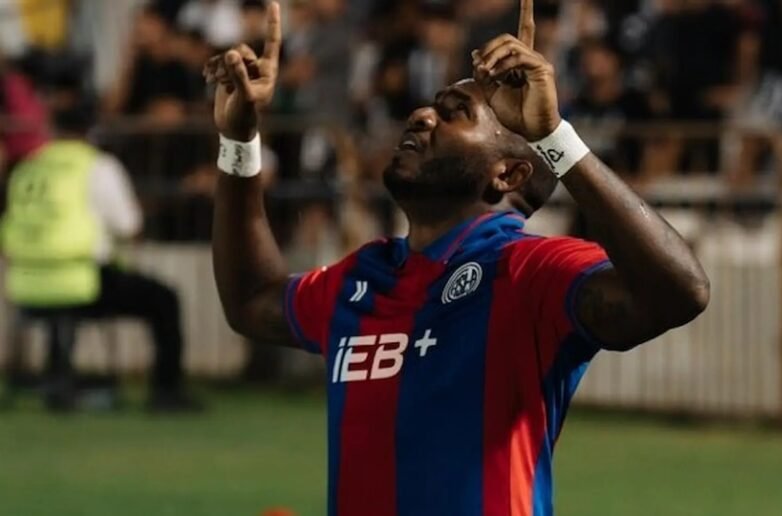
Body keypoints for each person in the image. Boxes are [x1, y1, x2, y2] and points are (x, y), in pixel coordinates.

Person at [206, 1, 709, 514]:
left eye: (455, 115)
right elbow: (251, 300)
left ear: (508, 176)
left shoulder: (529, 271)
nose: (422, 114)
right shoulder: (364, 275)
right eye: (432, 106)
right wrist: (238, 140)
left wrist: (553, 136)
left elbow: (680, 293)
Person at [1, 85, 200, 412]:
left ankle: (58, 377)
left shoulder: (28, 167)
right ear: (90, 131)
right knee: (165, 299)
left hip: (24, 286)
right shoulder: (97, 166)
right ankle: (167, 391)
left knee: (63, 308)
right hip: (80, 281)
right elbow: (128, 225)